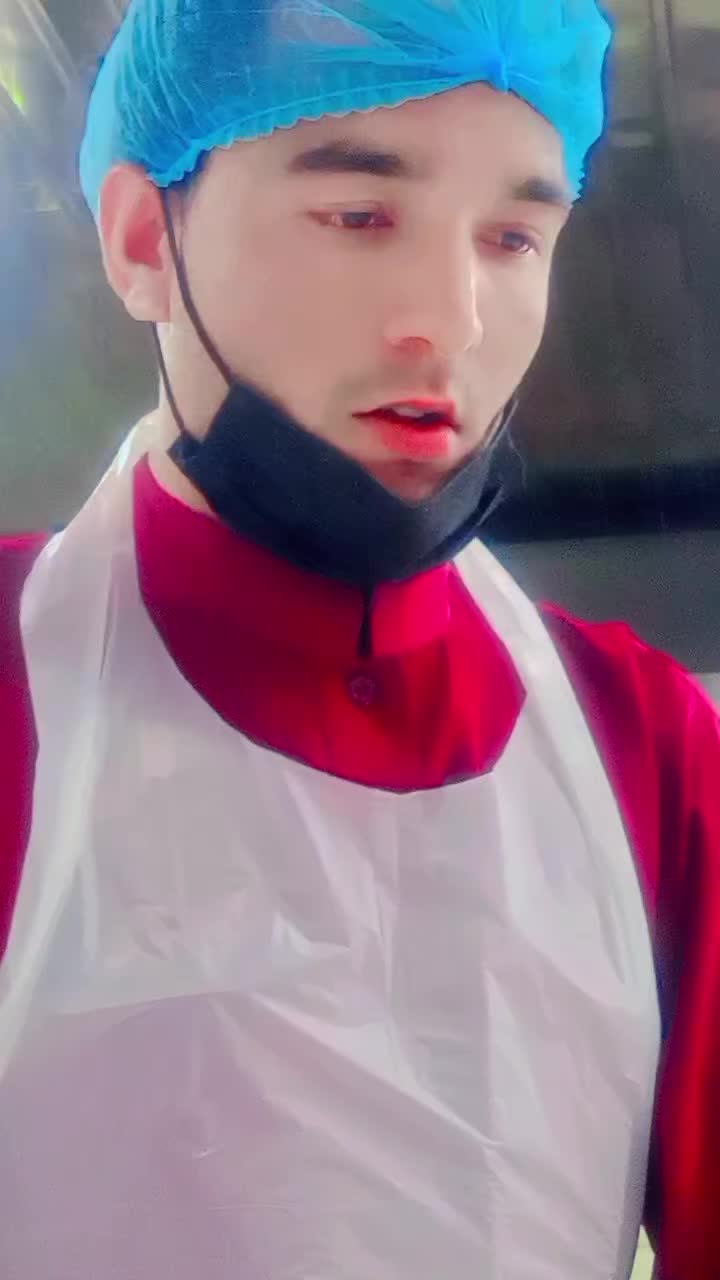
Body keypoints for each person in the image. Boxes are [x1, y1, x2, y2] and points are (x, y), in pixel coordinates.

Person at [0, 2, 718, 1276]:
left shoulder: (648, 743)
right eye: (358, 216)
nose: (450, 320)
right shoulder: (18, 686)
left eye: (512, 237)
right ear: (143, 240)